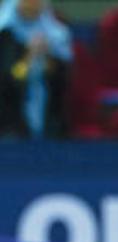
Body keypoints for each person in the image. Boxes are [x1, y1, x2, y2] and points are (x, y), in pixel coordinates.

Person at [0, 0, 71, 139]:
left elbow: (61, 82)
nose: (33, 5)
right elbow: (9, 80)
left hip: (49, 123)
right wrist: (29, 57)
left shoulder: (55, 35)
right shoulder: (6, 36)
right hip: (10, 125)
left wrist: (48, 57)